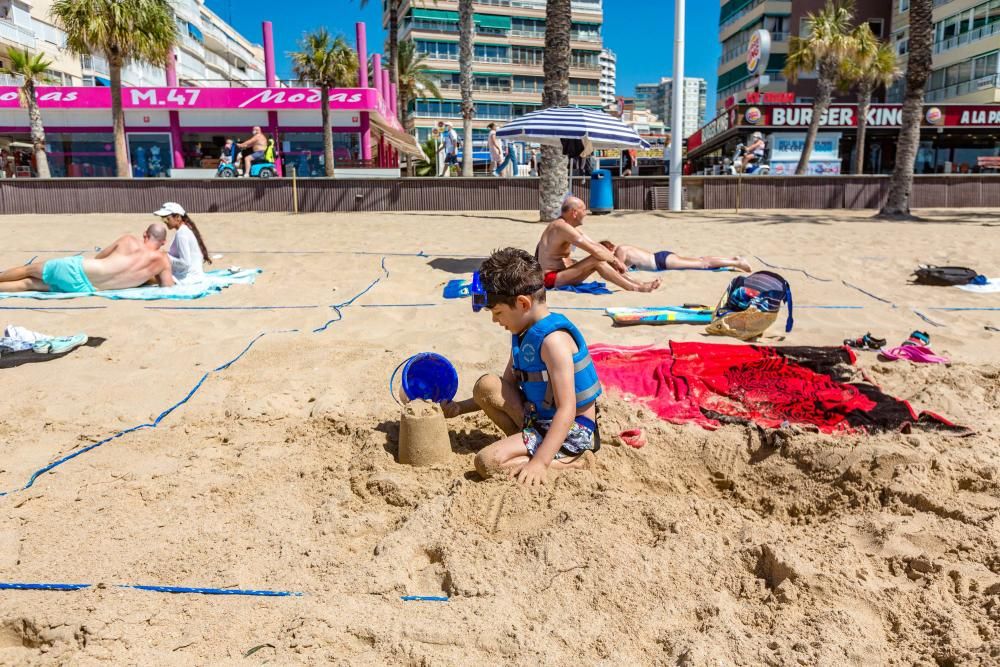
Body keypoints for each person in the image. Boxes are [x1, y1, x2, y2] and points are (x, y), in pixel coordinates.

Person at [442, 248, 601, 487]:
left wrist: (540, 463)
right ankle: (525, 446)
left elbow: (567, 410)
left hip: (571, 430)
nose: (496, 320)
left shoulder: (553, 342)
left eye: (498, 313)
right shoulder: (524, 333)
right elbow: (505, 389)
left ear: (523, 303)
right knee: (487, 385)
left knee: (487, 462)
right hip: (539, 420)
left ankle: (572, 462)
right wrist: (459, 408)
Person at [0, 224, 175, 293]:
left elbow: (99, 257)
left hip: (78, 269)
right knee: (29, 285)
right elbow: (167, 287)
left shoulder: (128, 240)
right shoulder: (162, 261)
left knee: (27, 270)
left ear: (145, 234)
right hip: (87, 288)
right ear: (163, 242)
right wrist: (146, 278)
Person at [535, 196, 660, 292]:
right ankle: (635, 288)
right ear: (574, 212)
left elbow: (595, 245)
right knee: (597, 259)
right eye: (583, 210)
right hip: (550, 279)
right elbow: (593, 250)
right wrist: (616, 261)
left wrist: (614, 259)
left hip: (560, 274)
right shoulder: (561, 227)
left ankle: (638, 283)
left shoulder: (568, 226)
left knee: (600, 257)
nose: (586, 213)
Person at [598, 240, 752, 273]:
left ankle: (736, 262)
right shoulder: (624, 247)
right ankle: (733, 260)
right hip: (661, 259)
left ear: (610, 248)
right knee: (700, 261)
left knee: (702, 263)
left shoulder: (620, 250)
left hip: (660, 261)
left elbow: (621, 268)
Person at [154, 202, 212, 283]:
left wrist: (166, 257)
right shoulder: (184, 230)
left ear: (178, 217)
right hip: (190, 276)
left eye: (167, 218)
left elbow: (185, 263)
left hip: (186, 278)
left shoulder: (182, 233)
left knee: (145, 277)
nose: (165, 221)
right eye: (162, 219)